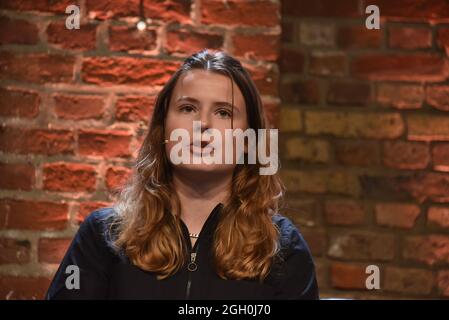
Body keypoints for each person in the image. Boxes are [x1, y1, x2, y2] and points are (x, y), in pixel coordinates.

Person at [45, 49, 319, 300]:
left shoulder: (282, 247)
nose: (203, 125)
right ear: (164, 128)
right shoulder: (104, 236)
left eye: (223, 113)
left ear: (248, 139)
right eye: (188, 108)